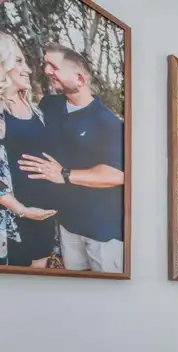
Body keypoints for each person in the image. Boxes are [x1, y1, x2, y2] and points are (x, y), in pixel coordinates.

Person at [18, 42, 124, 273]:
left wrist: (64, 174)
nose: (46, 71)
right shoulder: (50, 105)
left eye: (54, 67)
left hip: (102, 231)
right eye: (46, 64)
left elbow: (117, 174)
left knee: (107, 291)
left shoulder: (108, 123)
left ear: (80, 79)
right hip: (67, 225)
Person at [0, 32, 57, 267]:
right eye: (19, 61)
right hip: (13, 220)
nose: (29, 70)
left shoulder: (37, 110)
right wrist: (22, 210)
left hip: (42, 216)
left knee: (38, 282)